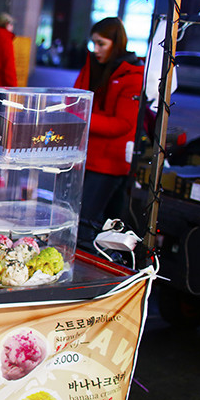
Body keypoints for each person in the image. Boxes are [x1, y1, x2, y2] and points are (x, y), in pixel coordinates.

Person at [73, 17, 145, 244]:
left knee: (87, 224)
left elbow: (123, 124)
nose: (96, 49)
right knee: (84, 220)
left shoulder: (131, 77)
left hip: (109, 164)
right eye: (93, 43)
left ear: (117, 43)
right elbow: (75, 97)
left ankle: (92, 259)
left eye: (101, 44)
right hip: (88, 158)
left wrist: (82, 118)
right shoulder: (97, 67)